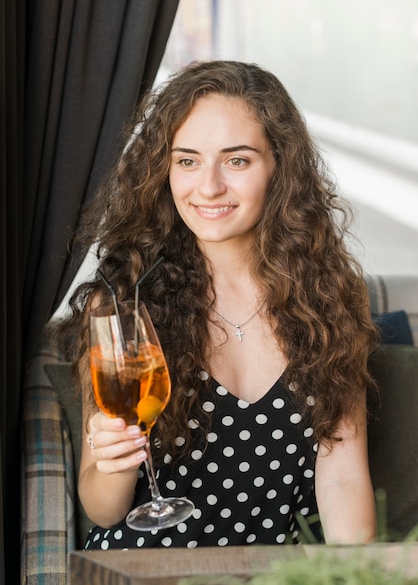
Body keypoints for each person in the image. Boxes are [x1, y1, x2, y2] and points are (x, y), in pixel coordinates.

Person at [61, 60, 378, 551]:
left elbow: (343, 479)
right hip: (148, 572)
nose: (207, 187)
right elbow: (103, 509)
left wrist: (355, 576)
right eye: (186, 160)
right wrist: (113, 461)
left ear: (280, 166)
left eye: (237, 160)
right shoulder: (124, 300)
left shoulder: (330, 295)